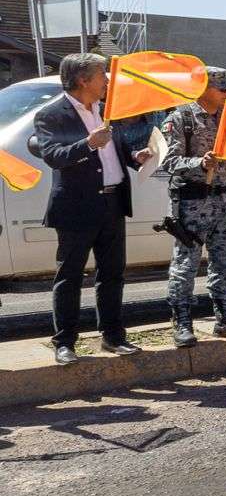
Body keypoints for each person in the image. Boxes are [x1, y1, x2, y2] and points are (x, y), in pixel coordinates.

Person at [33, 53, 153, 364]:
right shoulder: (51, 115)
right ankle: (64, 343)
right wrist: (88, 143)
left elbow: (115, 150)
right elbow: (53, 156)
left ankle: (113, 337)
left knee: (112, 274)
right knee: (70, 276)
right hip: (77, 207)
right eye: (102, 75)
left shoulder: (104, 110)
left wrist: (135, 156)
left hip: (113, 203)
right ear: (83, 80)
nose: (108, 81)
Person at [161, 67, 226, 347]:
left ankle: (225, 318)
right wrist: (199, 163)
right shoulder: (181, 119)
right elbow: (169, 161)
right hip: (194, 202)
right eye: (222, 89)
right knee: (186, 264)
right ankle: (182, 322)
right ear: (202, 90)